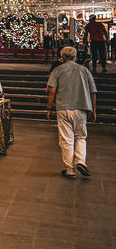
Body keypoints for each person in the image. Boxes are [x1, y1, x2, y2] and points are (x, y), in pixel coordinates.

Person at [46, 46, 97, 179]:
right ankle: (80, 161)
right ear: (76, 58)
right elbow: (93, 92)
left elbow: (52, 91)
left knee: (66, 140)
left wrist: (49, 108)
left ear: (62, 58)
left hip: (63, 108)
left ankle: (70, 169)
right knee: (80, 137)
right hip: (81, 108)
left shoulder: (57, 70)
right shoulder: (84, 70)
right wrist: (93, 110)